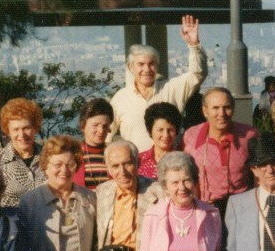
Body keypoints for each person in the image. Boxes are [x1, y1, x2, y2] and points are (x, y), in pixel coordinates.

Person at [131, 151, 226, 251]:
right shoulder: (153, 216)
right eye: (174, 182)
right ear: (165, 186)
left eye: (187, 180)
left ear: (195, 182)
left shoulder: (211, 215)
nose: (182, 188)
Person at [109, 15, 207, 152]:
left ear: (157, 66)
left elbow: (197, 74)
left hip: (171, 162)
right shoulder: (121, 98)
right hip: (136, 163)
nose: (147, 69)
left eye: (151, 64)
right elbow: (107, 133)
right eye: (141, 64)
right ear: (131, 67)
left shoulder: (171, 89)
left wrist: (194, 45)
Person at [90, 141, 162, 251]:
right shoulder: (101, 193)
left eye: (127, 163)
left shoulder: (159, 192)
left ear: (137, 163)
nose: (122, 172)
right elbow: (96, 242)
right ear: (108, 168)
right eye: (115, 166)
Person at [182, 87, 258, 217]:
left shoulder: (249, 135)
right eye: (215, 108)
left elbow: (258, 174)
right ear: (205, 111)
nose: (222, 113)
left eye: (227, 107)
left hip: (242, 210)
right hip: (204, 210)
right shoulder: (191, 136)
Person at [0, 98, 45, 208]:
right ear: (8, 131)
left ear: (36, 129)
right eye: (16, 129)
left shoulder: (49, 157)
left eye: (26, 128)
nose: (22, 135)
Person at [73, 98, 115, 189]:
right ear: (83, 126)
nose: (101, 130)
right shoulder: (72, 154)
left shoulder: (114, 154)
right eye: (95, 125)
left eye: (105, 126)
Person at [137, 102, 183, 180]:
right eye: (160, 130)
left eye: (170, 130)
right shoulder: (138, 160)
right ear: (150, 131)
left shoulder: (183, 160)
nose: (166, 135)